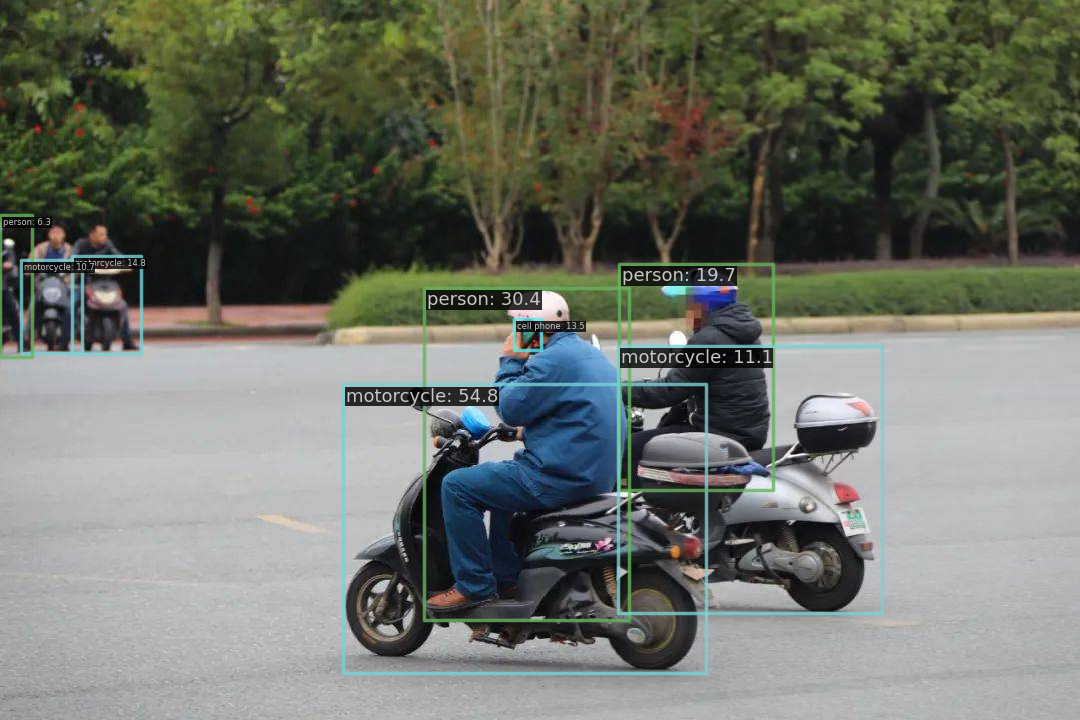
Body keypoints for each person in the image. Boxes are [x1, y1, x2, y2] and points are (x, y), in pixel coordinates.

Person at [427, 291, 624, 611]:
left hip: (562, 476)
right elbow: (573, 412)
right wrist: (524, 434)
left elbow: (510, 406)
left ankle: (473, 586)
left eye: (520, 326)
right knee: (502, 490)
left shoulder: (551, 360)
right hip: (593, 472)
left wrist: (511, 359)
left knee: (457, 486)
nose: (516, 333)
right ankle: (508, 579)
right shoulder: (585, 353)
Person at [623, 285, 770, 489]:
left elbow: (670, 391)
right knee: (664, 431)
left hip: (717, 434)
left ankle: (638, 507)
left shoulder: (709, 339)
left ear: (704, 304)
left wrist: (617, 390)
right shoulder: (744, 333)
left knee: (630, 449)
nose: (687, 310)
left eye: (690, 302)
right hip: (747, 432)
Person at [72, 223, 138, 350]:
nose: (105, 237)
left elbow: (118, 256)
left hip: (105, 283)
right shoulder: (80, 244)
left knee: (122, 306)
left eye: (105, 234)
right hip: (83, 284)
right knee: (71, 306)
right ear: (92, 235)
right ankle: (64, 341)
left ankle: (127, 341)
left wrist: (126, 264)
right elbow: (73, 258)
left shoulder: (108, 244)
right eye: (101, 234)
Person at [32, 225, 74, 350]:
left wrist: (68, 278)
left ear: (64, 235)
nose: (56, 235)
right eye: (53, 232)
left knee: (69, 310)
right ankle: (27, 339)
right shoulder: (40, 248)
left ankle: (65, 340)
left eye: (59, 232)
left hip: (63, 284)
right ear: (48, 235)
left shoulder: (69, 250)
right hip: (43, 284)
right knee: (32, 309)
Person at [2, 238, 22, 347]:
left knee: (12, 313)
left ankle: (21, 341)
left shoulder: (6, 249)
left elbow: (9, 264)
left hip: (3, 287)